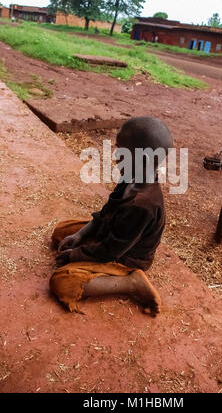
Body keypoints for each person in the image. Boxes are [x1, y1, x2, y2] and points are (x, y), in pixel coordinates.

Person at [50, 117, 173, 317]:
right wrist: (81, 235)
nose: (116, 155)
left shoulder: (143, 205)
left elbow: (111, 250)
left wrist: (77, 255)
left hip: (125, 257)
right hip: (113, 235)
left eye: (122, 151)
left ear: (145, 160)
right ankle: (84, 246)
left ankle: (131, 283)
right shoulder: (131, 178)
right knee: (62, 231)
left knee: (62, 281)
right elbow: (106, 212)